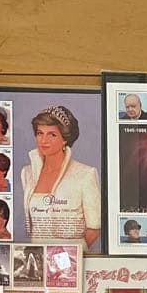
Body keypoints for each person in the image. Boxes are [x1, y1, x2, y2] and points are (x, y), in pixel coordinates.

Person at [21, 105, 100, 248]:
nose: (43, 140)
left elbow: (94, 228)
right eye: (40, 133)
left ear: (65, 139)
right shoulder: (27, 173)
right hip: (38, 255)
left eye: (52, 134)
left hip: (70, 259)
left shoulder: (85, 174)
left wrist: (69, 255)